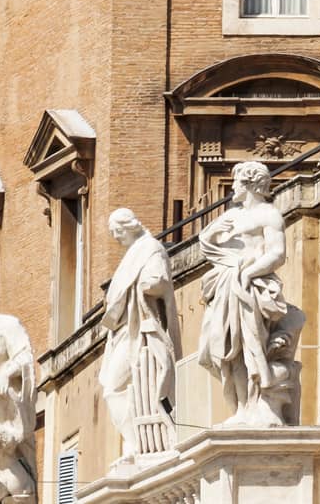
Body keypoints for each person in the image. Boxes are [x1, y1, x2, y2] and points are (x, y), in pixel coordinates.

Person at [197, 161, 305, 427]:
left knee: (249, 346)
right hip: (226, 285)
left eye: (235, 182)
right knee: (221, 349)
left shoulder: (268, 214)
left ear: (249, 183)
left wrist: (249, 273)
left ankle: (255, 406)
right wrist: (209, 234)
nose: (232, 186)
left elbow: (277, 253)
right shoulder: (230, 217)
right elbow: (207, 247)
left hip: (250, 287)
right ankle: (241, 408)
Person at [100, 208, 181, 462]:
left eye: (118, 232)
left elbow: (158, 281)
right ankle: (133, 442)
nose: (116, 238)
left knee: (116, 386)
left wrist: (147, 284)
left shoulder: (151, 248)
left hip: (140, 328)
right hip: (124, 330)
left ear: (130, 226)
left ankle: (137, 443)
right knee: (114, 387)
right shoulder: (133, 253)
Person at [0, 294, 33, 503]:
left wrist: (6, 372)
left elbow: (26, 357)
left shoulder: (7, 326)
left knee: (21, 484)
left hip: (8, 416)